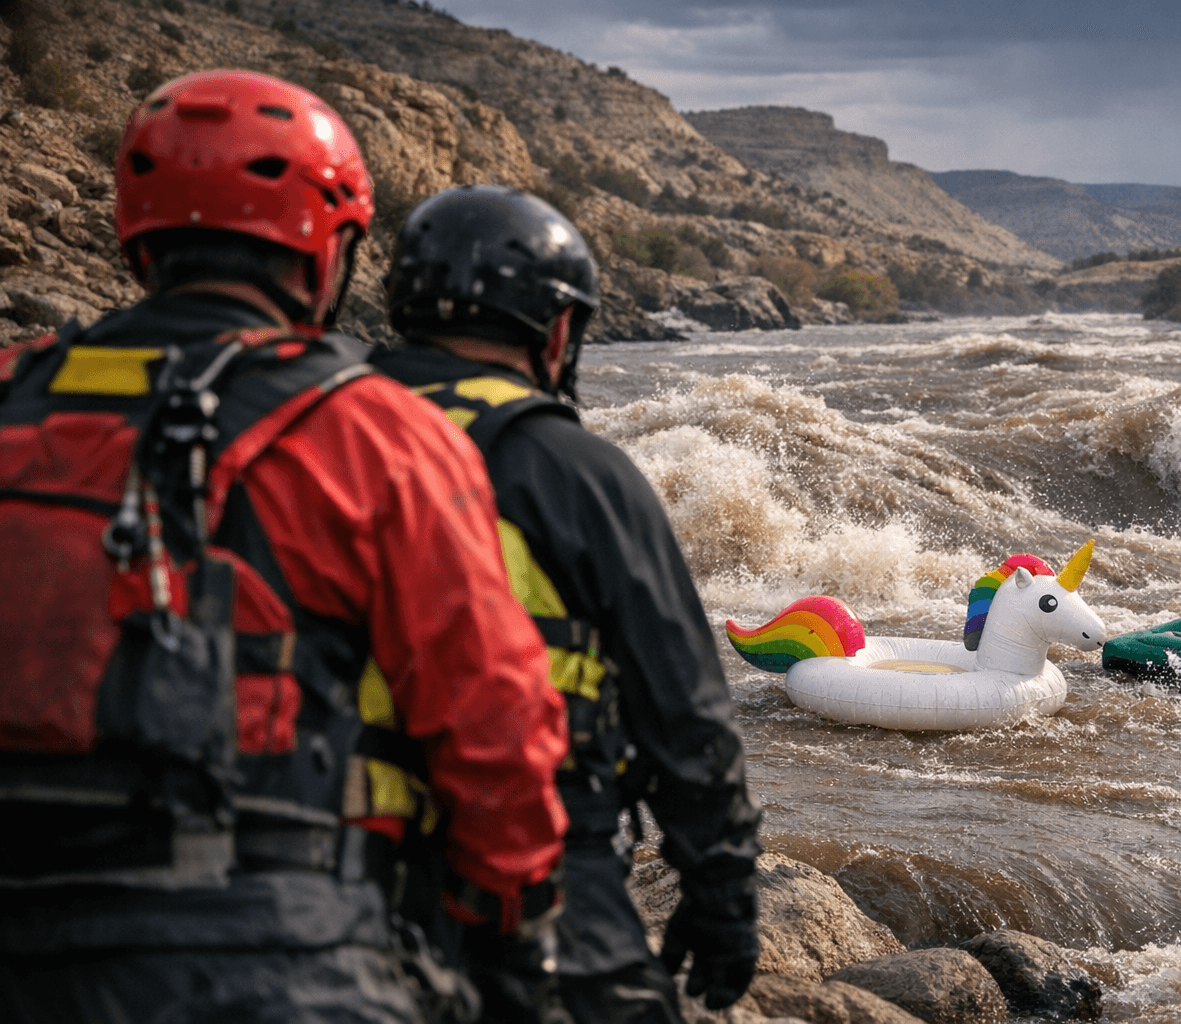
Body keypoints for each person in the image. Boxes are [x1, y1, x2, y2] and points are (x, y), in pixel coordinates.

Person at [0, 72, 568, 1023]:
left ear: (138, 235)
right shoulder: (378, 433)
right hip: (267, 944)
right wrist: (514, 940)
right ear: (326, 250)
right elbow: (494, 720)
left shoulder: (16, 388)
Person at [370, 185, 762, 1024]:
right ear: (556, 330)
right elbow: (686, 715)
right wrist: (720, 891)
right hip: (543, 862)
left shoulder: (307, 435)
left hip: (318, 858)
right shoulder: (577, 468)